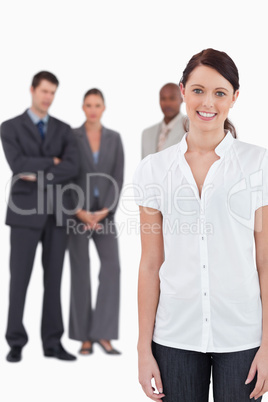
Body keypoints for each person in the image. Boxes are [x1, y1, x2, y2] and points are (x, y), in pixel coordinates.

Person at [133, 48, 268, 401]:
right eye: (198, 90)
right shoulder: (153, 169)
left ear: (234, 98)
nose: (207, 102)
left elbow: (265, 261)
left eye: (220, 93)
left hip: (242, 338)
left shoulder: (258, 164)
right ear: (182, 91)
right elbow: (150, 264)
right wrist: (142, 350)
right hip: (174, 336)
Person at [1, 71, 79, 362]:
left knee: (55, 280)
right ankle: (15, 341)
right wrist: (52, 162)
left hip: (57, 214)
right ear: (32, 90)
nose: (48, 97)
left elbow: (71, 166)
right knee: (19, 279)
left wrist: (40, 170)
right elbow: (18, 165)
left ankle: (52, 342)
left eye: (52, 92)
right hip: (24, 214)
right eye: (44, 91)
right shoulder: (9, 127)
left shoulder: (64, 129)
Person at [68, 88, 124, 355]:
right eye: (88, 105)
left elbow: (118, 176)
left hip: (105, 214)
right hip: (77, 214)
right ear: (82, 107)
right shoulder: (71, 137)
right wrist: (78, 211)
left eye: (97, 105)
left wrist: (104, 211)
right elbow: (65, 176)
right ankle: (84, 337)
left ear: (103, 108)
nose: (92, 109)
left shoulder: (114, 138)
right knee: (80, 271)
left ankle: (104, 334)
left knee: (112, 268)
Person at [141, 83, 185, 159]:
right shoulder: (147, 134)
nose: (167, 103)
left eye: (172, 98)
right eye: (163, 99)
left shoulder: (190, 128)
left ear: (181, 99)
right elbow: (144, 167)